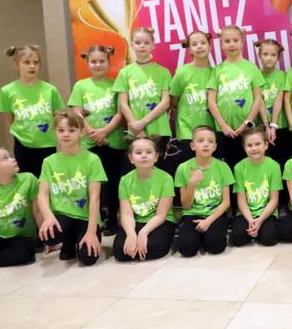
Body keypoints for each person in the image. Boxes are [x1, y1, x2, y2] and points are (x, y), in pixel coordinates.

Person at [69, 45, 126, 235]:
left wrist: (105, 131)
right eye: (93, 61)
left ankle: (113, 219)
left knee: (113, 182)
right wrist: (93, 132)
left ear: (109, 62)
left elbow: (120, 112)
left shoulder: (116, 85)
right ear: (87, 63)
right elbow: (77, 112)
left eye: (102, 61)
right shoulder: (81, 86)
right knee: (93, 183)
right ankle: (95, 219)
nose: (98, 64)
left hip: (113, 142)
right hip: (90, 142)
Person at [37, 109, 107, 266]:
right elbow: (42, 195)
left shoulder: (92, 160)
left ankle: (79, 237)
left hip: (86, 217)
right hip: (63, 215)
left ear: (81, 132)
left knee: (87, 258)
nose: (66, 134)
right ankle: (68, 241)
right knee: (50, 235)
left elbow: (95, 198)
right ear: (55, 132)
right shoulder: (49, 162)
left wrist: (91, 232)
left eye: (71, 130)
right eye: (61, 130)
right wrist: (48, 217)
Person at [0, 45, 65, 176]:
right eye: (27, 62)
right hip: (23, 143)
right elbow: (10, 118)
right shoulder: (7, 91)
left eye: (36, 62)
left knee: (47, 178)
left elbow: (56, 115)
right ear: (17, 64)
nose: (32, 66)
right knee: (27, 179)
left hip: (47, 143)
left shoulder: (50, 89)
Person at [207, 25, 265, 169]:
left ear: (242, 42)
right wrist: (223, 126)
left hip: (248, 131)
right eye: (227, 41)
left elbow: (258, 98)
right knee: (228, 169)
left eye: (235, 40)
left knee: (249, 168)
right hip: (224, 132)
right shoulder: (217, 70)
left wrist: (247, 123)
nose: (231, 44)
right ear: (221, 45)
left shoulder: (252, 68)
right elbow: (211, 102)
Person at [114, 27, 172, 168]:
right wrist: (136, 126)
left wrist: (143, 122)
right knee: (136, 172)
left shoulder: (163, 72)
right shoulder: (125, 72)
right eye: (138, 42)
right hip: (134, 131)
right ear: (132, 45)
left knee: (158, 170)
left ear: (153, 45)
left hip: (159, 129)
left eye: (146, 42)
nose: (142, 46)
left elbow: (165, 102)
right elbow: (123, 103)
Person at [174, 125, 235, 257]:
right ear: (192, 146)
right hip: (192, 213)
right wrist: (192, 184)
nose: (206, 144)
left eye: (210, 141)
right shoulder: (183, 168)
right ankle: (197, 237)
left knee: (216, 247)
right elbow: (186, 206)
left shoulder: (223, 167)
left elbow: (226, 202)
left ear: (215, 147)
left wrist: (208, 221)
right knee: (186, 249)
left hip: (215, 213)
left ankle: (206, 234)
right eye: (200, 141)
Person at [113, 136, 175, 261]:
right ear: (131, 158)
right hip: (136, 220)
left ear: (156, 157)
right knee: (120, 251)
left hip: (159, 220)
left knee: (153, 248)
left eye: (148, 152)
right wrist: (131, 234)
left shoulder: (166, 178)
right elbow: (126, 214)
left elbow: (161, 215)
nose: (144, 156)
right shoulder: (125, 181)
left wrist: (143, 233)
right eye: (138, 152)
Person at [230, 127, 283, 247]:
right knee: (238, 238)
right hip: (246, 212)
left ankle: (260, 229)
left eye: (258, 144)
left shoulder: (274, 166)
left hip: (266, 212)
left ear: (266, 145)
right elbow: (241, 200)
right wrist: (250, 220)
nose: (254, 148)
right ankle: (253, 229)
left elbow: (274, 200)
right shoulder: (239, 167)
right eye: (249, 145)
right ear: (244, 147)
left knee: (269, 239)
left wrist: (259, 221)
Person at [169, 31, 215, 163]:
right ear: (189, 50)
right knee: (191, 169)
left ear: (209, 46)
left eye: (203, 43)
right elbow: (173, 100)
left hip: (210, 131)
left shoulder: (216, 73)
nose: (199, 46)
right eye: (194, 44)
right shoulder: (182, 73)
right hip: (187, 132)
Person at [256, 38, 292, 165]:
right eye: (265, 54)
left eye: (273, 55)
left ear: (278, 57)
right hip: (262, 127)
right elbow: (259, 100)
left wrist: (273, 125)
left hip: (280, 126)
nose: (269, 58)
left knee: (283, 161)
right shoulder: (256, 75)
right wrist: (266, 126)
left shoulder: (283, 75)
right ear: (259, 55)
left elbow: (279, 100)